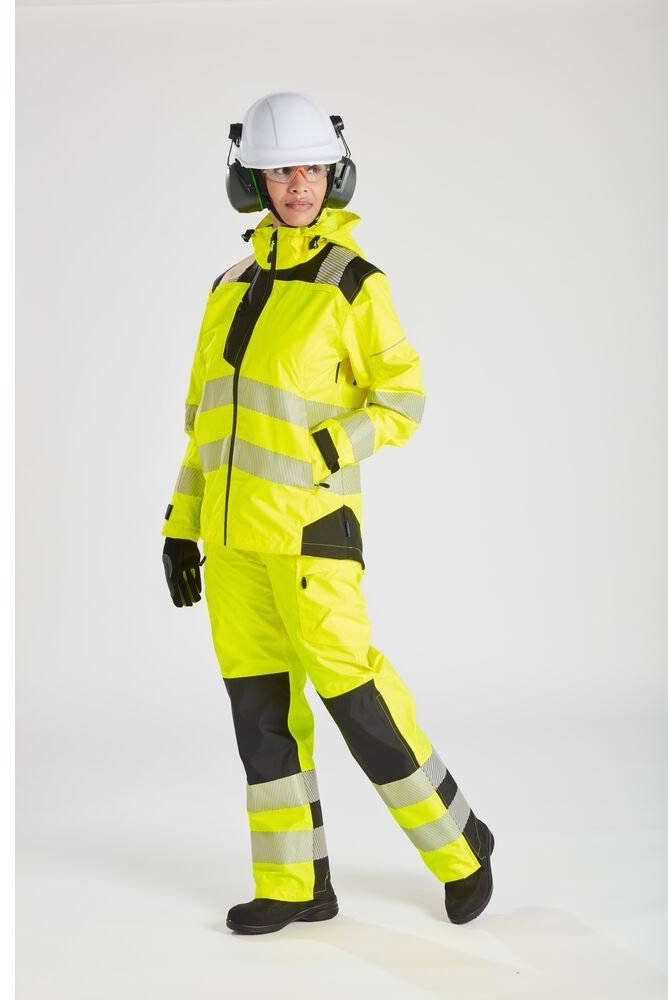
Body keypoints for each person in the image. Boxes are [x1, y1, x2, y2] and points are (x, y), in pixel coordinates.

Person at [161, 91, 495, 934]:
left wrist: (325, 448)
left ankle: (461, 844)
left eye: (311, 168)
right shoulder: (227, 288)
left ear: (335, 173)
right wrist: (179, 526)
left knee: (357, 700)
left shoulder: (353, 283)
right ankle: (293, 884)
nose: (299, 185)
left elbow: (403, 400)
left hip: (311, 534)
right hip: (233, 549)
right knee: (261, 714)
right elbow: (205, 426)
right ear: (253, 182)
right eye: (281, 172)